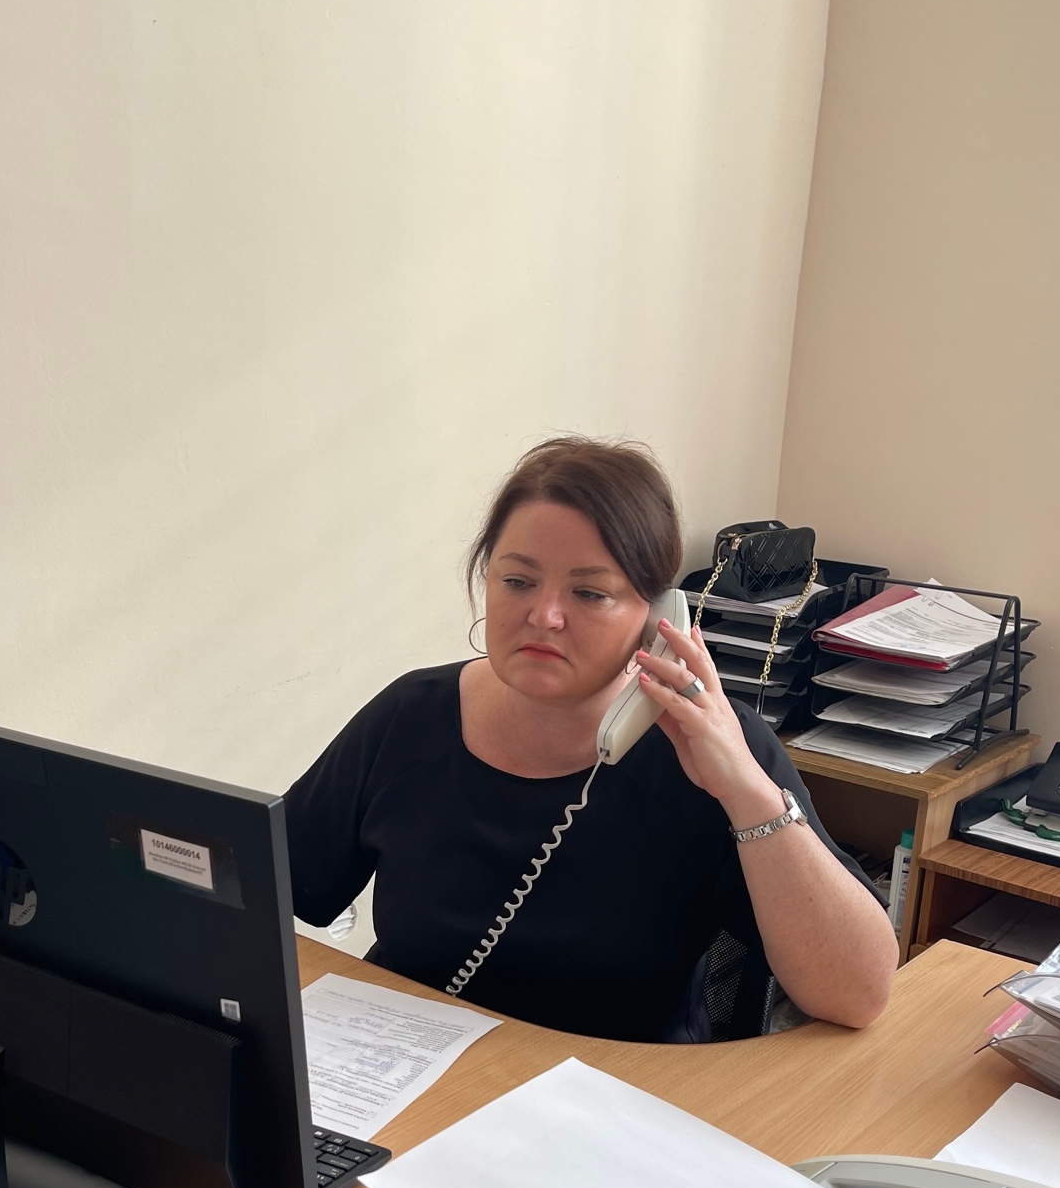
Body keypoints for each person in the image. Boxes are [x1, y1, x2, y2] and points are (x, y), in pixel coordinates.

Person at [286, 437, 898, 1042]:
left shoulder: (716, 745)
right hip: (400, 1070)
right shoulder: (411, 715)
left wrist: (745, 792)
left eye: (589, 593)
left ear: (658, 617)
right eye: (518, 581)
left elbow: (858, 995)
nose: (544, 616)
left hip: (623, 1086)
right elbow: (279, 885)